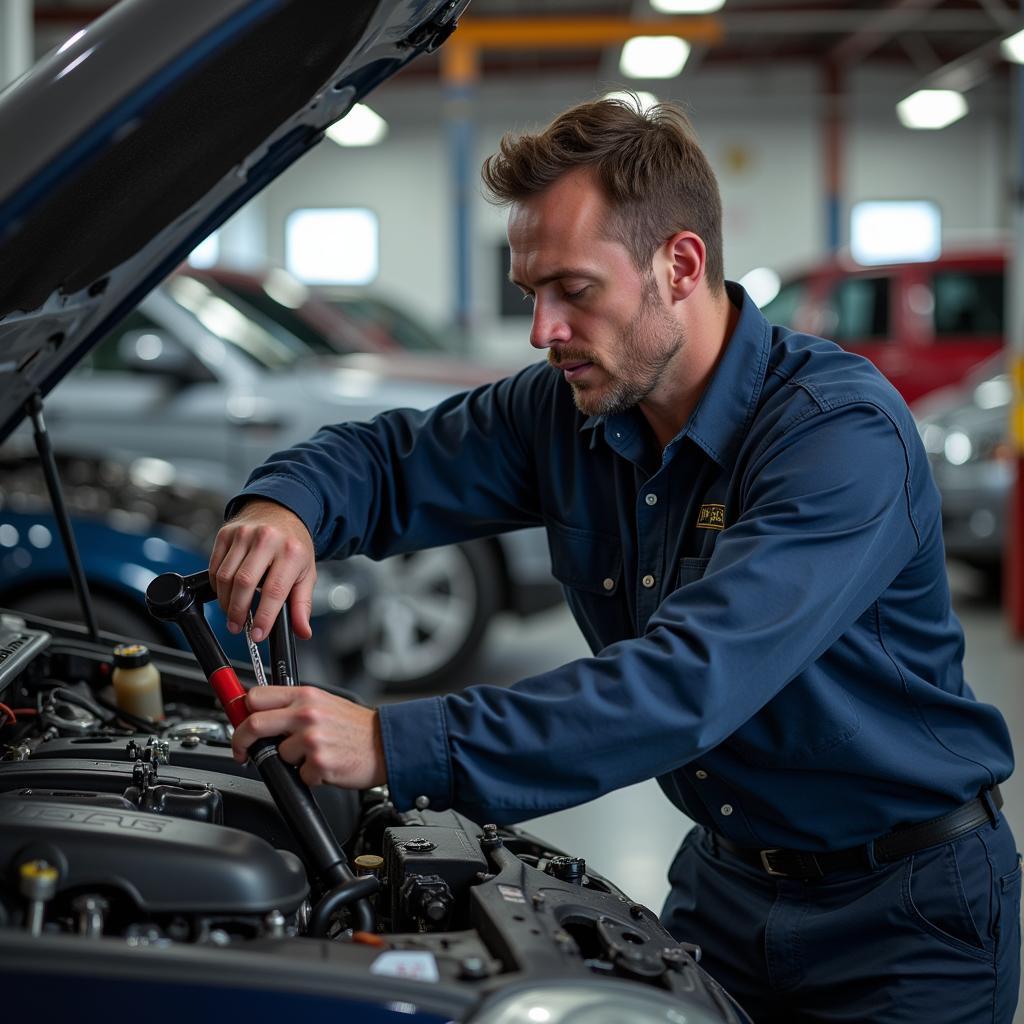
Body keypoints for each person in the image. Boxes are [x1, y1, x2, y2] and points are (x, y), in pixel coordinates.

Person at [209, 97, 1019, 1022]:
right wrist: (286, 506)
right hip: (724, 885)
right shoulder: (573, 411)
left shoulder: (838, 437)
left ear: (679, 264)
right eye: (530, 294)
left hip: (905, 918)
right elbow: (391, 460)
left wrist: (393, 742)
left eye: (574, 290)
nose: (541, 330)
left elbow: (684, 685)